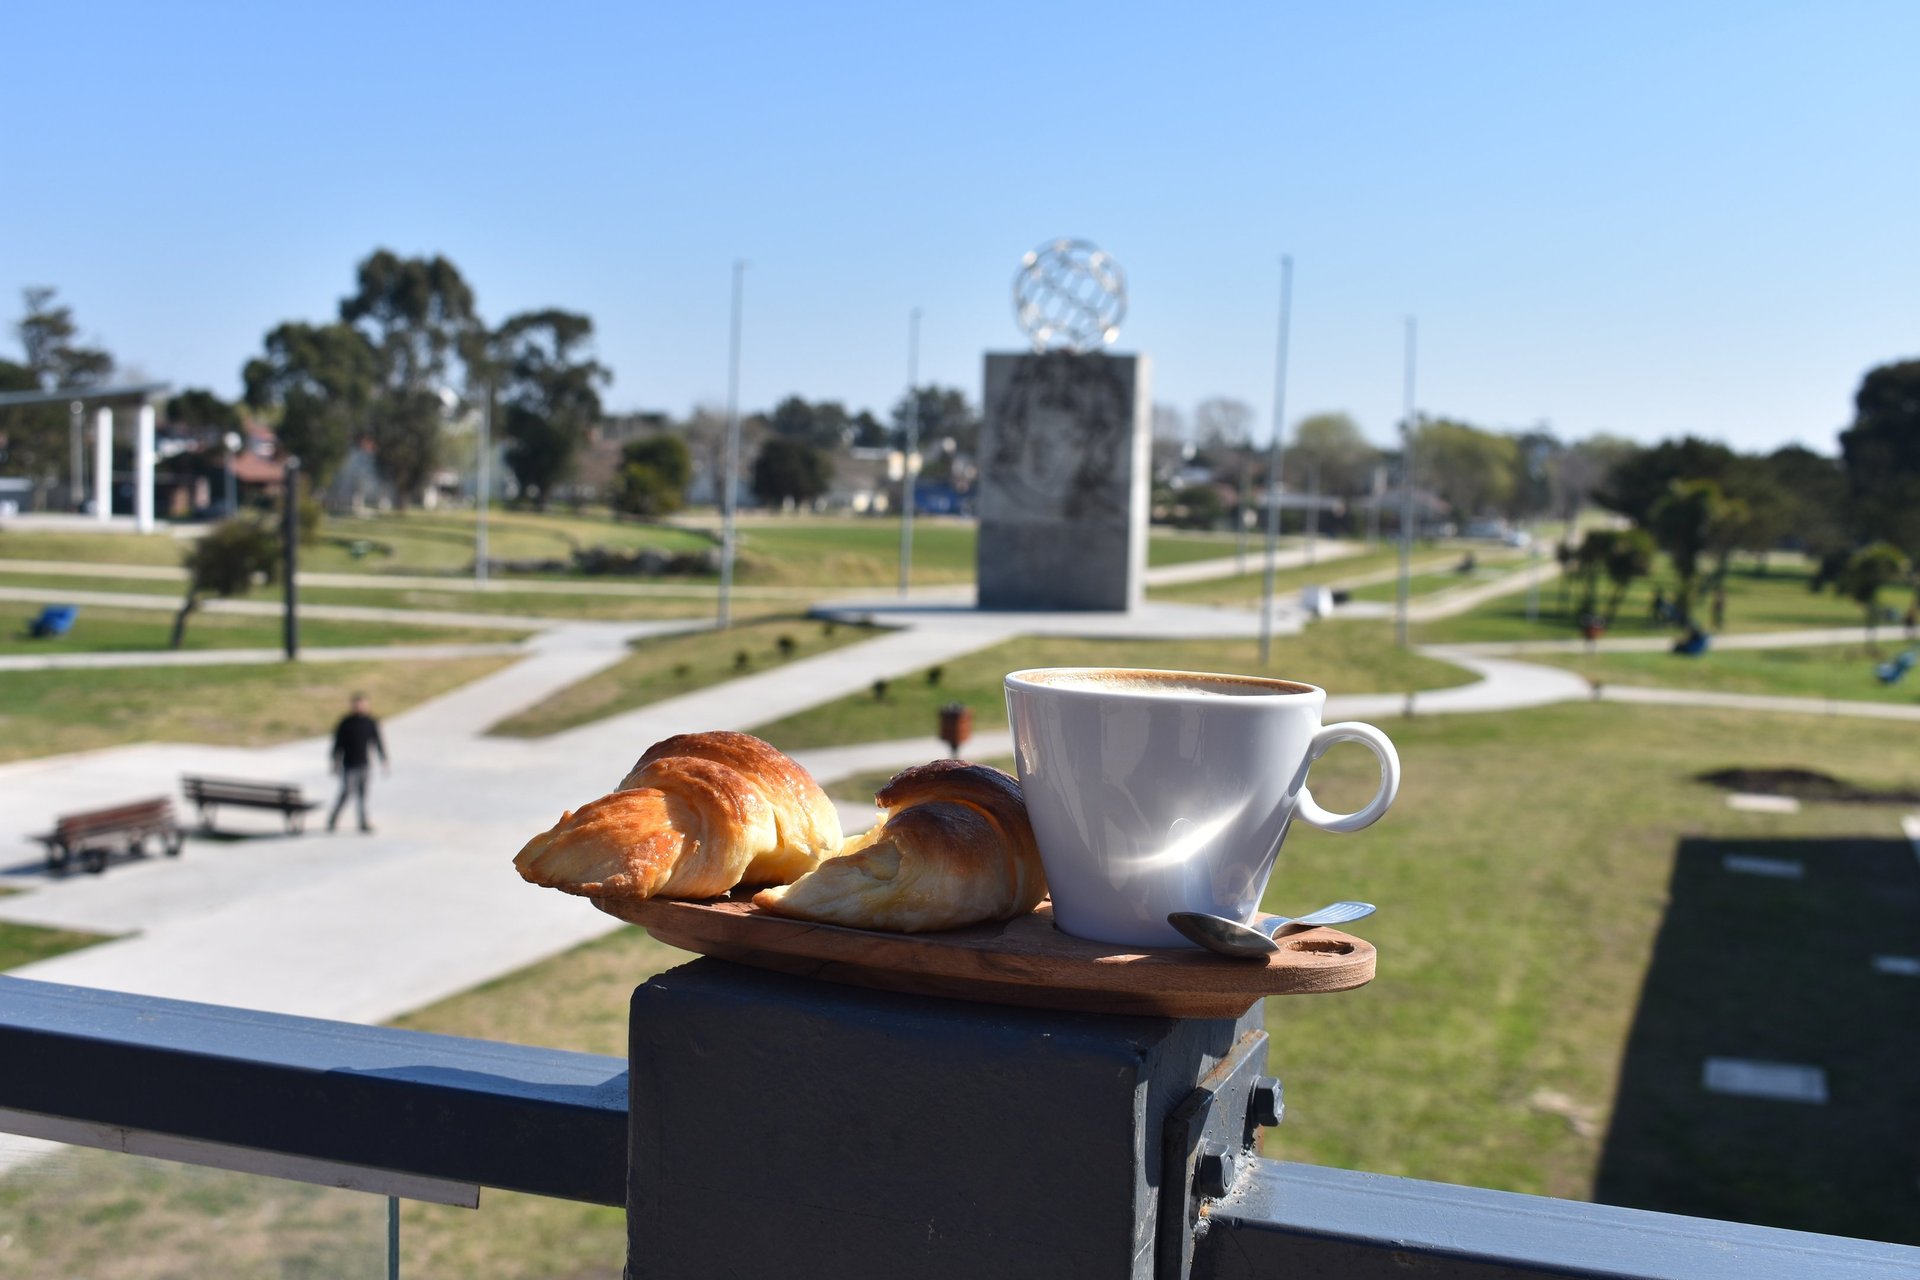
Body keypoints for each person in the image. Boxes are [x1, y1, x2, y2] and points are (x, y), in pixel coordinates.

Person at [328, 693, 388, 834]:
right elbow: (337, 744)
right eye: (357, 704)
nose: (360, 707)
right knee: (346, 793)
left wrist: (383, 759)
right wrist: (335, 762)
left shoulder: (370, 722)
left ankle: (363, 823)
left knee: (363, 795)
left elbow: (378, 741)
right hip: (349, 764)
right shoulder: (346, 723)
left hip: (364, 764)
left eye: (363, 704)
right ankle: (333, 819)